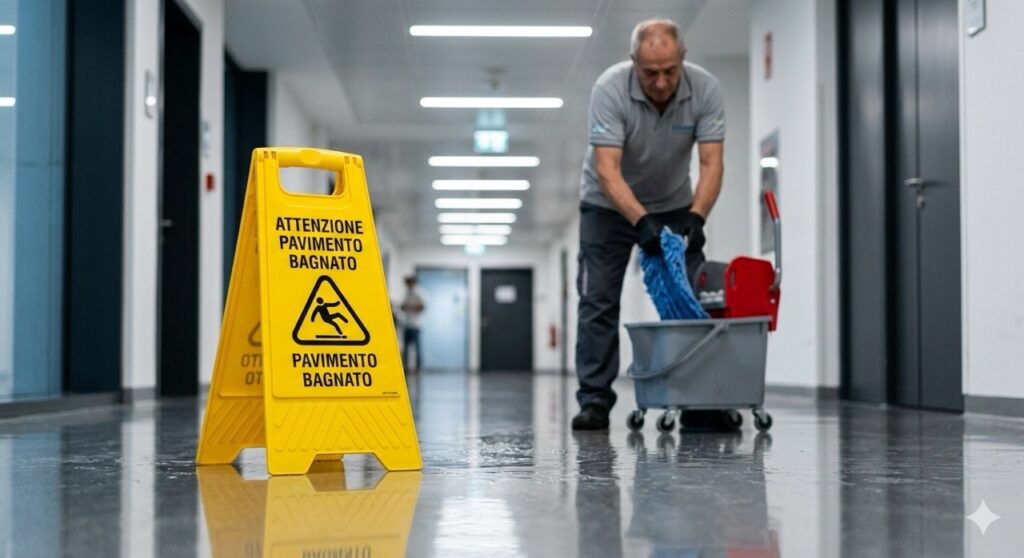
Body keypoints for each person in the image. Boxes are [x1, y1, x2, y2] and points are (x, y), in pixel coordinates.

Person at [572, 19, 726, 431]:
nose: (660, 82)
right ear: (632, 62)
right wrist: (641, 222)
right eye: (650, 72)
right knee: (598, 299)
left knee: (691, 296)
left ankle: (701, 400)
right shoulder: (610, 88)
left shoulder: (705, 89)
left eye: (670, 71)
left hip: (675, 203)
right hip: (607, 205)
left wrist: (697, 216)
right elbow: (607, 169)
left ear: (683, 59)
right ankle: (595, 401)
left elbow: (711, 163)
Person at [400, 275, 426, 373]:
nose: (408, 286)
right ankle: (405, 368)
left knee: (417, 348)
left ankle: (418, 369)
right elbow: (403, 306)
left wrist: (409, 306)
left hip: (416, 325)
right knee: (406, 349)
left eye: (409, 283)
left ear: (413, 283)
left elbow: (422, 306)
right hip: (407, 324)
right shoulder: (406, 293)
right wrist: (405, 306)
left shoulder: (419, 293)